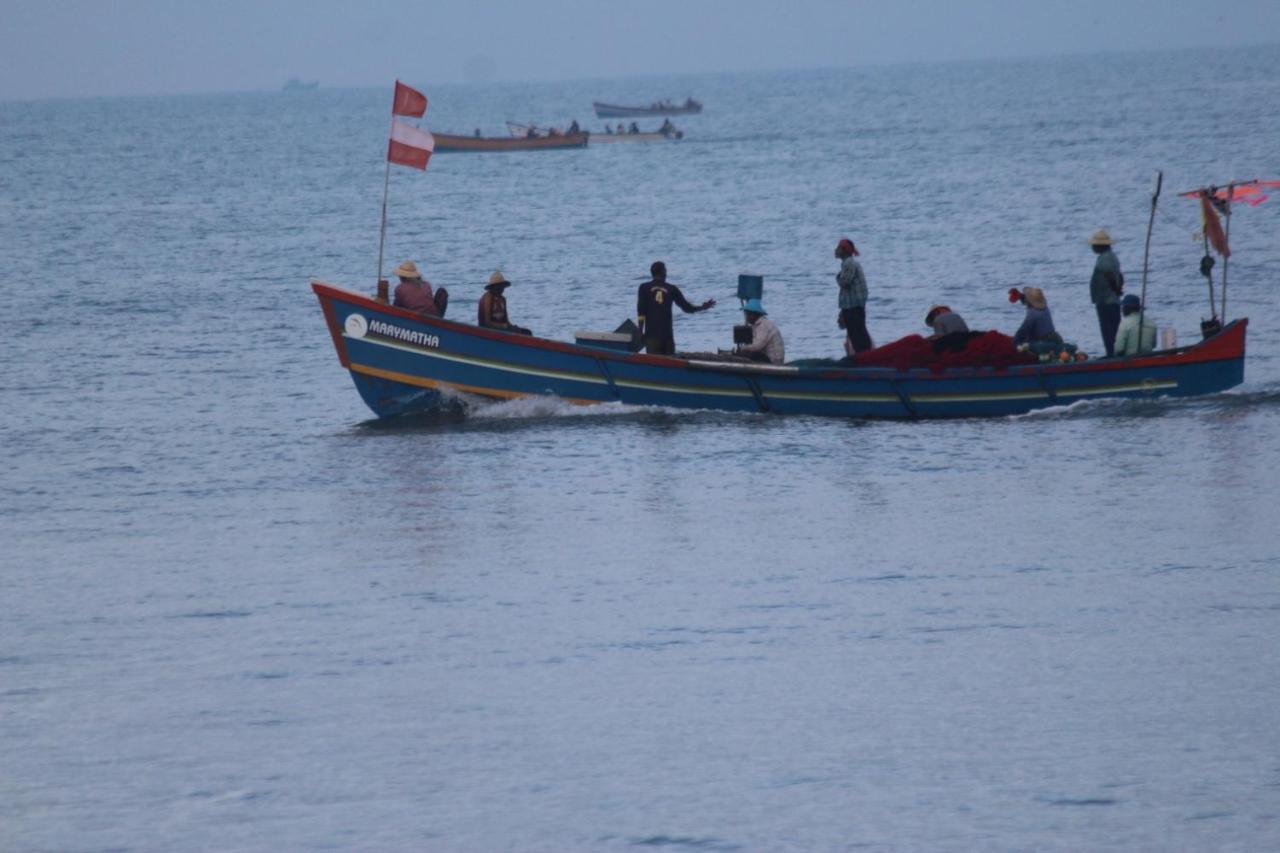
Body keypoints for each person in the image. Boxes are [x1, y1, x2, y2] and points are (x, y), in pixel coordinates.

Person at [636, 261, 716, 355]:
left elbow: (641, 311)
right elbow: (687, 308)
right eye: (665, 270)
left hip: (652, 337)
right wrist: (702, 307)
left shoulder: (643, 287)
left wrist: (640, 331)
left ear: (652, 273)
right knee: (669, 365)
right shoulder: (671, 289)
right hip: (667, 337)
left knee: (655, 365)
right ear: (663, 272)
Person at [1089, 229, 1124, 356]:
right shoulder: (1112, 257)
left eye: (1094, 244)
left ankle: (1111, 354)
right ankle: (1115, 353)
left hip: (1106, 300)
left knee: (1108, 330)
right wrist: (1118, 289)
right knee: (1114, 329)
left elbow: (1110, 276)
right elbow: (1120, 276)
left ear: (1100, 245)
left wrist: (1116, 289)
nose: (1092, 247)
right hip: (1112, 299)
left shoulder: (1104, 259)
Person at [834, 238, 872, 353]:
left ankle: (865, 356)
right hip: (852, 305)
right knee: (856, 333)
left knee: (858, 333)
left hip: (854, 306)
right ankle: (864, 355)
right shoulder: (848, 263)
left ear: (844, 251)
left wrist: (838, 277)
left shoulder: (849, 263)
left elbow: (844, 282)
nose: (836, 250)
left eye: (838, 248)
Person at [477, 271, 531, 335]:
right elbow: (487, 322)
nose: (500, 290)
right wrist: (503, 326)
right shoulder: (487, 298)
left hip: (502, 329)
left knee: (527, 332)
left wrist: (512, 327)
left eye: (501, 287)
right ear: (492, 287)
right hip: (488, 330)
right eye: (497, 288)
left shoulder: (502, 299)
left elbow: (506, 321)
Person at [735, 298, 785, 364]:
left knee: (746, 354)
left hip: (774, 360)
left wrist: (743, 348)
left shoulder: (763, 325)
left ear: (754, 315)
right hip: (771, 358)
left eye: (748, 314)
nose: (747, 317)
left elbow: (757, 346)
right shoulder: (758, 324)